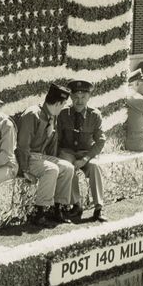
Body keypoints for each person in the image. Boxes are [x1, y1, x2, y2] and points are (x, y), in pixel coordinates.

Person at [15, 83, 75, 226]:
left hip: (40, 157)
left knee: (67, 167)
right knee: (51, 169)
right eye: (63, 104)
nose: (63, 108)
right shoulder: (33, 114)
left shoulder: (51, 116)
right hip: (26, 157)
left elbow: (52, 145)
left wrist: (53, 160)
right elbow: (23, 145)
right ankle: (40, 212)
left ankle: (57, 208)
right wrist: (24, 170)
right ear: (58, 103)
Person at [57, 80, 107, 222]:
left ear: (89, 97)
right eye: (76, 97)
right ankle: (76, 205)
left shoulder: (95, 115)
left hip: (86, 153)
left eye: (83, 97)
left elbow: (101, 140)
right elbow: (58, 138)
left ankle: (99, 208)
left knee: (95, 167)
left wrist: (86, 158)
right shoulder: (63, 114)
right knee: (68, 166)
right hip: (68, 152)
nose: (79, 101)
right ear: (71, 97)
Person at [124, 69, 143, 151]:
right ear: (137, 83)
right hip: (140, 144)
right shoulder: (142, 100)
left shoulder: (124, 98)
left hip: (124, 143)